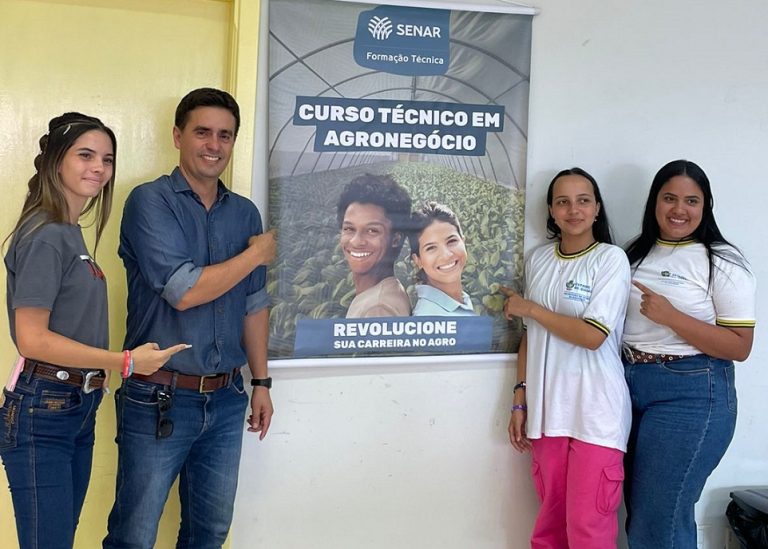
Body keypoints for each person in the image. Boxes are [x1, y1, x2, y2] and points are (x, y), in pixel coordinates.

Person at [0, 113, 187, 549]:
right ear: (55, 162)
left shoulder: (68, 232)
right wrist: (125, 361)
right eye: (85, 155)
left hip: (74, 405)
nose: (98, 168)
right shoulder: (46, 235)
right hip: (42, 411)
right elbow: (32, 339)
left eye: (106, 159)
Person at [103, 88, 277, 548]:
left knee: (209, 534)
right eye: (202, 132)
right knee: (134, 536)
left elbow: (254, 304)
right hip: (158, 398)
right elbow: (183, 291)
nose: (213, 145)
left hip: (226, 400)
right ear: (178, 135)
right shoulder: (149, 202)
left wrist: (261, 383)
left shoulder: (244, 213)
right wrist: (256, 254)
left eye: (225, 135)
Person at [621, 159, 756, 548]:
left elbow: (739, 346)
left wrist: (673, 317)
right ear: (655, 202)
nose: (679, 209)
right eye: (669, 198)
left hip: (692, 394)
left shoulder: (722, 261)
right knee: (643, 512)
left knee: (659, 517)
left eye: (691, 200)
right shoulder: (635, 254)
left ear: (705, 206)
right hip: (630, 387)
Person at [503, 168, 631, 548]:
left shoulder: (611, 260)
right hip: (547, 415)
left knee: (587, 530)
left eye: (583, 200)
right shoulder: (539, 261)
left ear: (597, 209)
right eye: (563, 201)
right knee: (549, 530)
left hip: (596, 414)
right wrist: (519, 398)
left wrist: (530, 308)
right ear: (551, 211)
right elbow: (530, 336)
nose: (573, 210)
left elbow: (592, 336)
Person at [337, 173, 412, 318]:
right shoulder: (382, 293)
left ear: (396, 239)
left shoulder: (378, 309)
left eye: (372, 231)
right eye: (349, 229)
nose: (356, 241)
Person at [409, 201, 476, 316]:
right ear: (418, 260)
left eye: (452, 241)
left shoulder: (461, 300)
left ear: (463, 241)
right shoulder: (429, 320)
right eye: (431, 248)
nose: (446, 255)